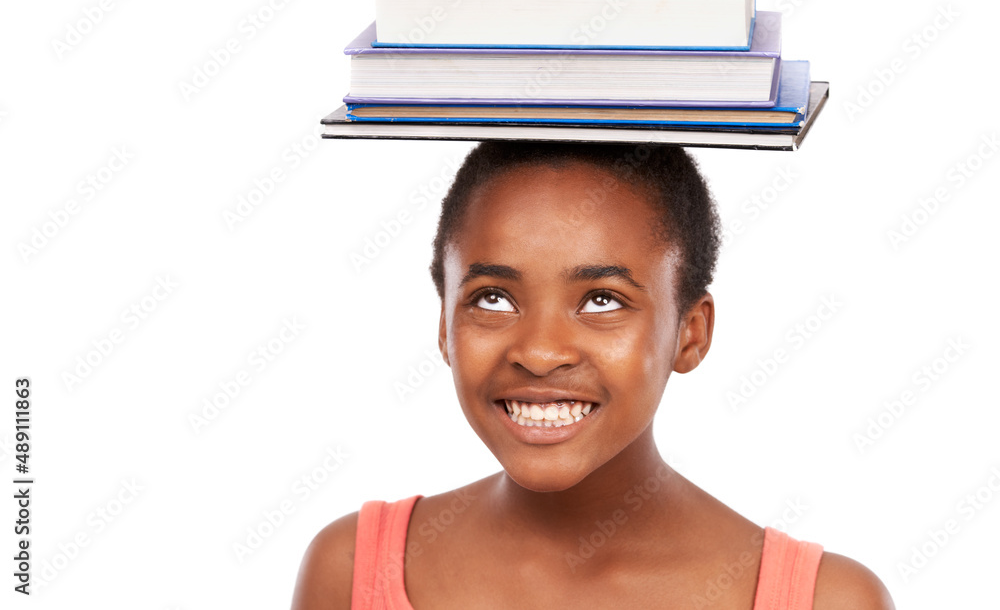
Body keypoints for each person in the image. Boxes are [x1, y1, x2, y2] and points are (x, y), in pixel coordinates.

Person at [291, 141, 895, 609]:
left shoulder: (828, 600)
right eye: (493, 298)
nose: (541, 352)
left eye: (602, 300)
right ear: (445, 327)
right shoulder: (348, 572)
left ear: (691, 331)